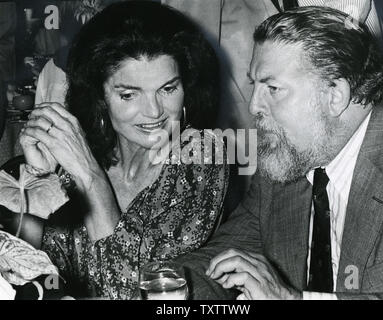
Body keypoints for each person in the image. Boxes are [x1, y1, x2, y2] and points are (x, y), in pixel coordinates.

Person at [176, 6, 383, 300]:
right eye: (254, 85)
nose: (253, 107)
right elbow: (223, 258)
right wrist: (163, 289)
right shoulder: (289, 158)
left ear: (335, 95)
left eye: (272, 88)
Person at [5, 1, 228, 299]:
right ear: (100, 98)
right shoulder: (90, 150)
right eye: (128, 94)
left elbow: (131, 293)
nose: (154, 112)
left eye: (168, 89)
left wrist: (91, 179)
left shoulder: (201, 156)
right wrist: (42, 177)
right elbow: (53, 256)